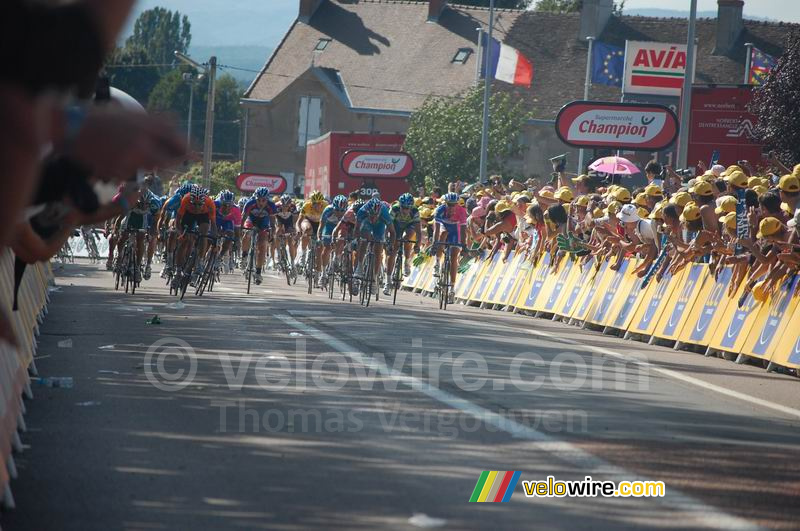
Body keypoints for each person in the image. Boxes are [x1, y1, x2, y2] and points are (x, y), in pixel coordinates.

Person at [433, 192, 467, 303]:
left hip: (454, 230)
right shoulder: (440, 210)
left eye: (454, 204)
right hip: (443, 227)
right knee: (442, 234)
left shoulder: (461, 211)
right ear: (445, 203)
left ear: (457, 204)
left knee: (453, 258)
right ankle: (437, 263)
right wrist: (435, 243)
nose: (452, 207)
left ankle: (452, 289)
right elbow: (436, 230)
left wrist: (464, 245)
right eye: (449, 204)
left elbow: (462, 231)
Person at [385, 193, 422, 295]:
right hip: (395, 225)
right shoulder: (394, 209)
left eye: (408, 208)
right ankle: (387, 282)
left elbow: (419, 231)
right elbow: (387, 227)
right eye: (404, 208)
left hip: (409, 225)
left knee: (408, 236)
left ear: (411, 207)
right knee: (393, 249)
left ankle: (407, 262)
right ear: (400, 206)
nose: (405, 210)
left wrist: (417, 245)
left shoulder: (415, 211)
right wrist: (387, 240)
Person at [240, 187, 276, 285]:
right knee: (247, 233)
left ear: (267, 200)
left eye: (263, 200)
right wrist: (241, 230)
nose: (260, 202)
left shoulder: (271, 206)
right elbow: (243, 219)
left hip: (263, 222)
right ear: (255, 198)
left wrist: (272, 234)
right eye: (258, 199)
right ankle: (244, 255)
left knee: (263, 245)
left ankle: (258, 272)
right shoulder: (250, 203)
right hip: (251, 220)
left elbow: (272, 224)